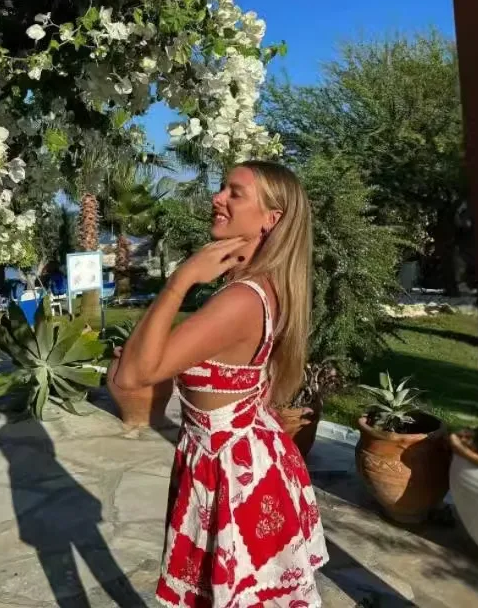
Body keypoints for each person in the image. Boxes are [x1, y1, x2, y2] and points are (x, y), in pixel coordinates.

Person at [111, 160, 327, 608]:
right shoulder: (257, 285)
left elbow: (132, 376)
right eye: (221, 188)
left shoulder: (241, 299)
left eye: (235, 192)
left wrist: (179, 280)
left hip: (232, 473)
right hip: (237, 458)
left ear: (272, 218)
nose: (217, 198)